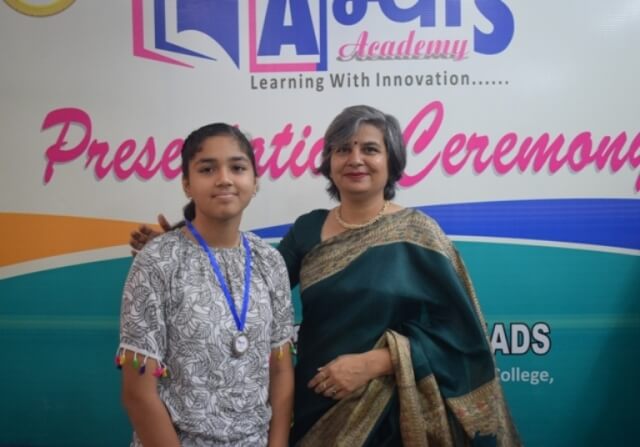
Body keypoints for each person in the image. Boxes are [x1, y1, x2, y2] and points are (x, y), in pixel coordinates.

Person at [131, 106, 521, 446]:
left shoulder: (420, 234)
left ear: (392, 161)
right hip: (315, 406)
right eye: (342, 149)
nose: (355, 159)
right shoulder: (307, 230)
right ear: (329, 162)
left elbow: (463, 335)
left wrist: (379, 362)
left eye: (370, 149)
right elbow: (245, 286)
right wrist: (185, 246)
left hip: (394, 415)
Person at [118, 123, 294, 447]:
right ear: (187, 184)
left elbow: (281, 371)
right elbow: (138, 394)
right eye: (207, 169)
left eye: (237, 168)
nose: (224, 179)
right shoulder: (157, 261)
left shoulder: (269, 261)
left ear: (255, 181)